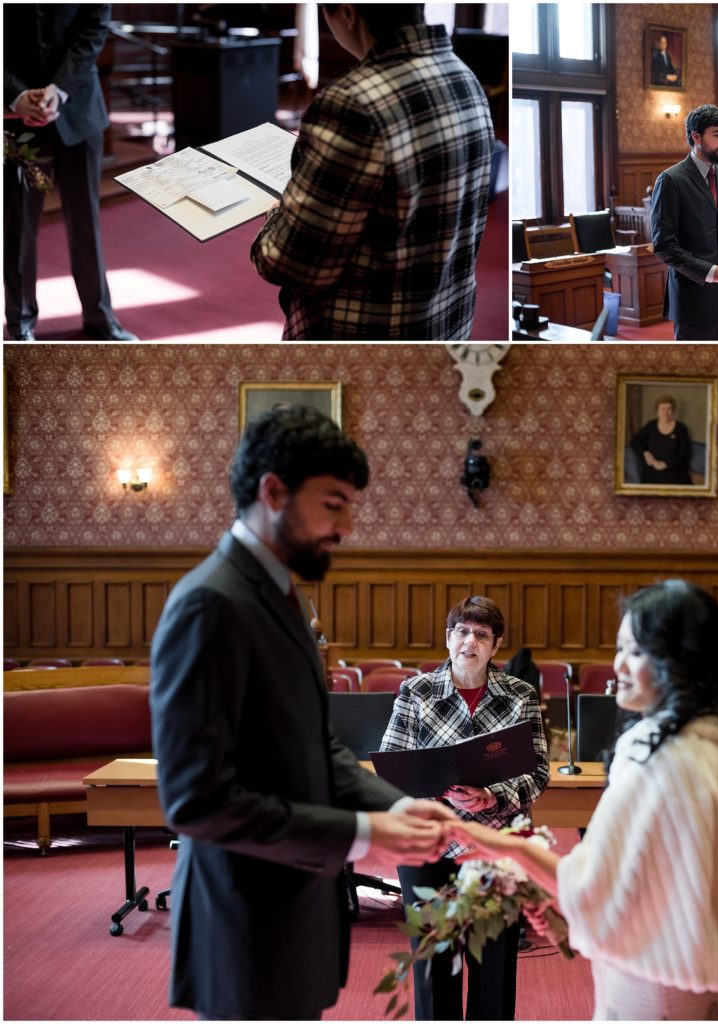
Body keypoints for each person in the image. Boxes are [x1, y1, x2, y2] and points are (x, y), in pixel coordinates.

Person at [149, 405, 454, 1020]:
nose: (345, 526)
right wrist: (364, 838)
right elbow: (197, 802)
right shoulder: (210, 605)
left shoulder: (280, 593)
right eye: (333, 504)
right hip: (242, 926)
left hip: (291, 916)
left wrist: (389, 803)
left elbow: (313, 745)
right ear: (273, 491)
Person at [447, 581, 718, 1021]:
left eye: (636, 651)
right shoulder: (711, 741)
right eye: (619, 648)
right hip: (681, 974)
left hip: (651, 982)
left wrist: (506, 850)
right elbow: (643, 878)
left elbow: (593, 883)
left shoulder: (661, 756)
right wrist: (557, 900)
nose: (618, 664)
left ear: (682, 661)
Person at [251, 4, 494, 340]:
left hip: (364, 337)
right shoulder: (465, 79)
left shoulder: (353, 102)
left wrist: (276, 214)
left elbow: (294, 264)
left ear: (349, 12)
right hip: (446, 326)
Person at [379, 596, 550, 1021]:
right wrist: (428, 795)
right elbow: (390, 765)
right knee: (434, 960)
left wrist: (494, 796)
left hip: (495, 844)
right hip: (429, 841)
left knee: (494, 962)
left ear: (496, 645)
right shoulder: (415, 691)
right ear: (447, 638)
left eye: (480, 634)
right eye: (460, 631)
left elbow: (539, 772)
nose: (468, 641)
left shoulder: (519, 695)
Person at [3, 4, 137, 341]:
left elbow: (93, 28)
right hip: (15, 115)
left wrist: (57, 89)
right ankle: (20, 325)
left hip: (78, 102)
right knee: (18, 227)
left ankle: (99, 316)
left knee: (85, 222)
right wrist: (15, 95)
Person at [651, 104, 718, 340]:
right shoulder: (671, 180)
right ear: (696, 136)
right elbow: (664, 246)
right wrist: (710, 272)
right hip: (692, 299)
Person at [629, 394, 692, 485]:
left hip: (674, 471)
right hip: (653, 471)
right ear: (657, 411)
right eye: (662, 409)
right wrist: (646, 453)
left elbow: (684, 454)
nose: (665, 412)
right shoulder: (651, 425)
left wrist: (666, 464)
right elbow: (634, 440)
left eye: (668, 409)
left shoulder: (681, 429)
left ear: (673, 411)